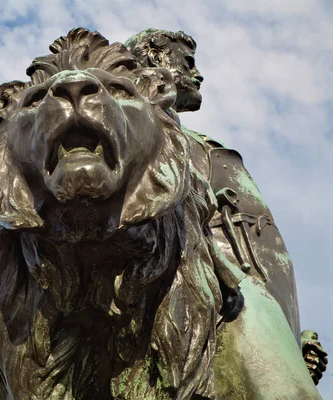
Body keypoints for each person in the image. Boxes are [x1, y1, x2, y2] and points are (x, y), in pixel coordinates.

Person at [125, 29, 327, 396]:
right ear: (156, 59)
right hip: (209, 293)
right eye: (188, 63)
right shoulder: (133, 135)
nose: (198, 74)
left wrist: (290, 343)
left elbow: (263, 256)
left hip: (248, 303)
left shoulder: (204, 146)